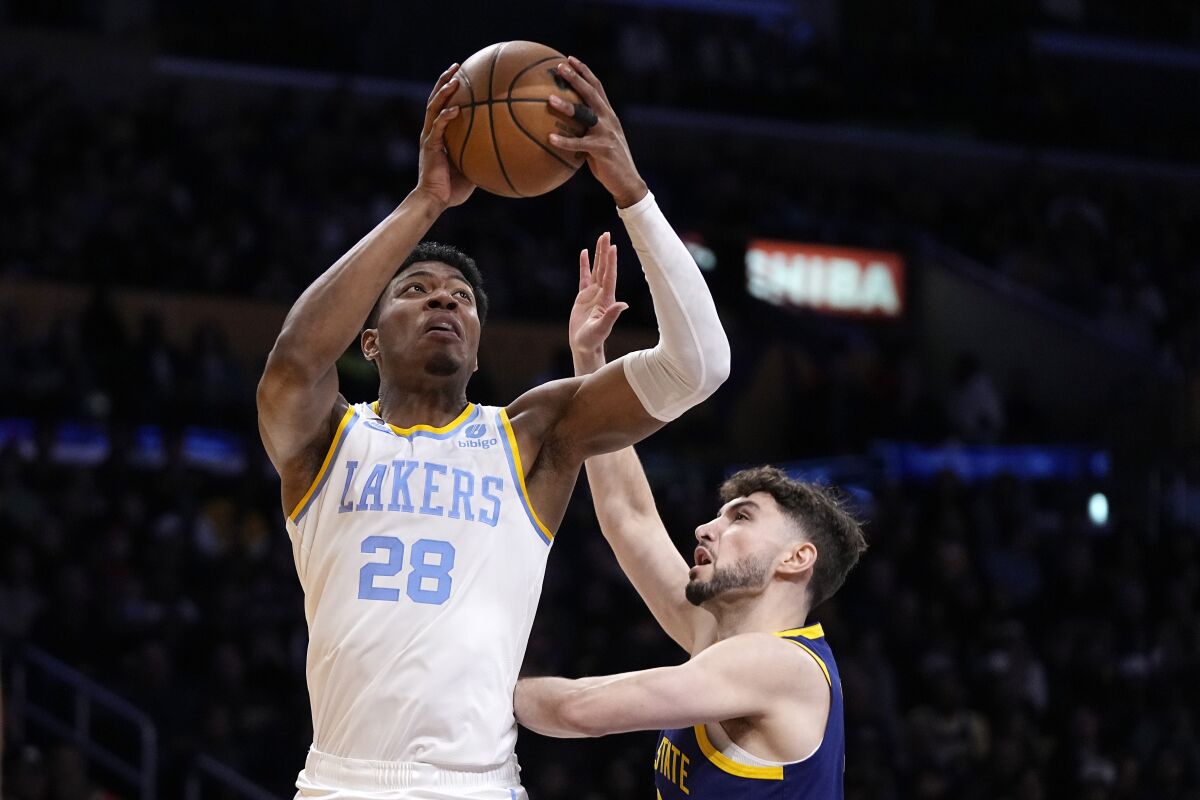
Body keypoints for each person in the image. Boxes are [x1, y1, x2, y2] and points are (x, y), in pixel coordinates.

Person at [255, 56, 730, 799]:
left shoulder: (533, 433)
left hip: (477, 783)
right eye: (415, 291)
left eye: (462, 299)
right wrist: (425, 203)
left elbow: (699, 368)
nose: (444, 300)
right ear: (370, 340)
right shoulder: (325, 443)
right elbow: (291, 364)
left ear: (477, 348)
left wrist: (631, 193)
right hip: (339, 781)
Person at [513, 243, 867, 798]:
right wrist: (591, 363)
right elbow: (630, 518)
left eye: (740, 517)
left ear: (797, 558)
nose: (706, 529)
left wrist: (470, 681)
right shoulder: (718, 639)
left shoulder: (781, 665)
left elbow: (581, 710)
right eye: (717, 516)